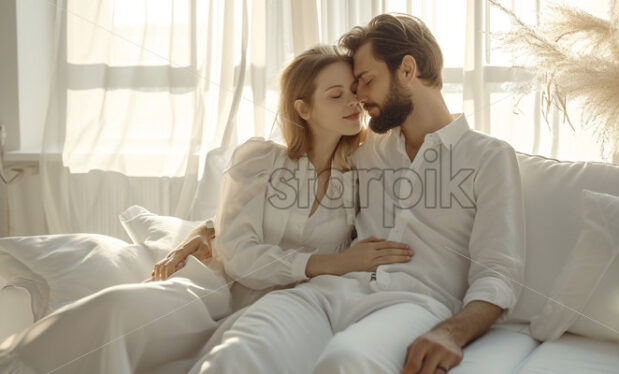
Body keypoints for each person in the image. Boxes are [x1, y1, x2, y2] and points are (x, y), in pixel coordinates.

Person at [0, 45, 411, 374]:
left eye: (354, 94)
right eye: (335, 95)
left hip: (283, 308)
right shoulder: (259, 159)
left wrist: (210, 229)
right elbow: (240, 254)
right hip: (215, 290)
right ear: (303, 109)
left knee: (234, 356)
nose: (352, 104)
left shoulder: (361, 171)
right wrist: (325, 262)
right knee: (118, 308)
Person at [186, 13, 525, 374]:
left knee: (346, 362)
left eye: (365, 81)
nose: (358, 98)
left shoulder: (489, 157)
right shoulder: (366, 150)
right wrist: (207, 230)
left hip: (415, 305)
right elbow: (283, 193)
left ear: (407, 70)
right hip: (328, 292)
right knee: (241, 349)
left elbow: (499, 273)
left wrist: (451, 333)